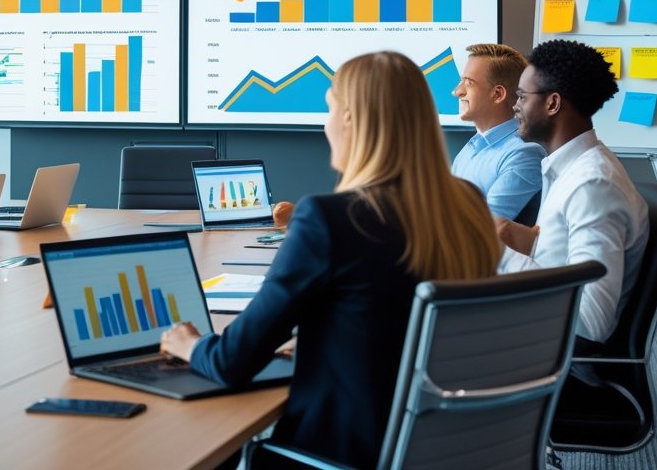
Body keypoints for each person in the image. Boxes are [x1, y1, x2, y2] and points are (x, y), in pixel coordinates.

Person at [161, 51, 500, 468]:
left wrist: (189, 344)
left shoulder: (329, 218)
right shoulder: (467, 205)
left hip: (339, 454)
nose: (325, 124)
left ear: (352, 119)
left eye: (328, 109)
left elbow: (231, 362)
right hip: (446, 447)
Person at [499, 39, 648, 345]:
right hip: (534, 330)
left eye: (522, 97)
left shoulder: (592, 185)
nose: (514, 106)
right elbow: (561, 261)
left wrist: (498, 253)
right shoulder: (568, 168)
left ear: (552, 104)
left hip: (554, 358)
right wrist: (522, 240)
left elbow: (592, 322)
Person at [451, 43, 546, 219]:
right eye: (460, 81)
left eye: (469, 83)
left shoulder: (523, 154)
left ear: (497, 94)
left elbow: (489, 228)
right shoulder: (470, 149)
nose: (457, 92)